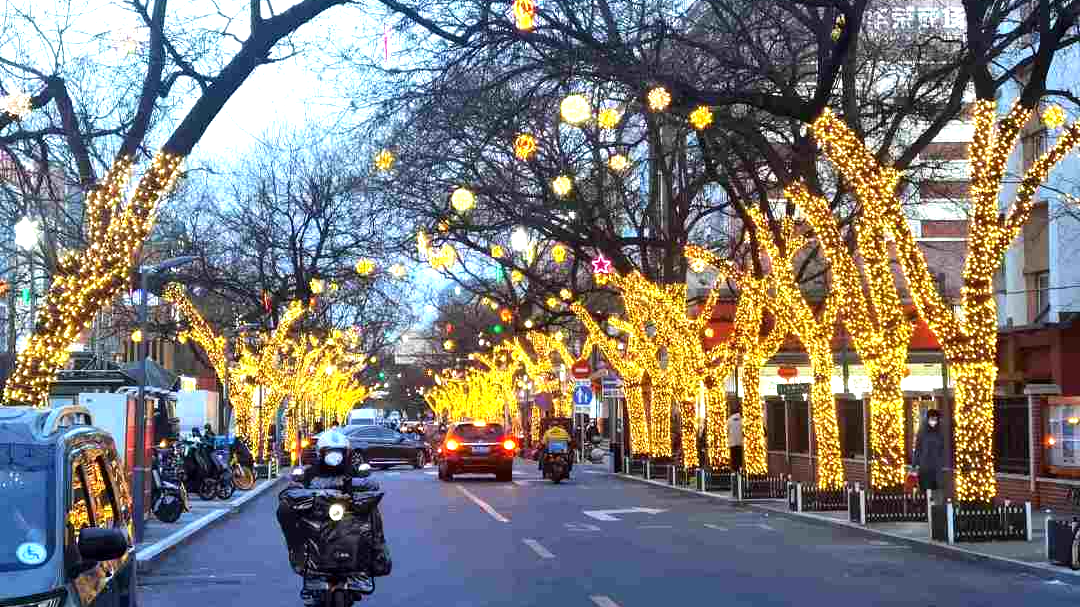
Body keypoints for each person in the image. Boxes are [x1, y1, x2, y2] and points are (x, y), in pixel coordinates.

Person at [292, 429, 385, 603]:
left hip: (348, 517)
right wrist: (298, 489)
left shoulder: (353, 470)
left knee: (373, 512)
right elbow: (297, 484)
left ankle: (377, 555)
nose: (334, 457)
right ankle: (298, 553)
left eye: (339, 452)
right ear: (321, 453)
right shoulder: (311, 472)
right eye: (329, 452)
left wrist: (364, 485)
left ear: (346, 453)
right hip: (319, 518)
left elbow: (370, 483)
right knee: (287, 512)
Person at [914, 409, 946, 503]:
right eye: (932, 419)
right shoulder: (922, 431)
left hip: (936, 468)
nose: (934, 421)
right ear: (927, 419)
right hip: (924, 467)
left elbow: (943, 449)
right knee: (924, 491)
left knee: (936, 491)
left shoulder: (940, 432)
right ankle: (923, 509)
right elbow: (918, 448)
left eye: (936, 419)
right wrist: (914, 464)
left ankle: (934, 511)